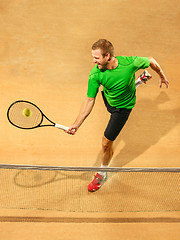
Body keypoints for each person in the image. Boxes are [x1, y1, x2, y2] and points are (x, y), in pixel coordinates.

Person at [66, 39, 169, 192]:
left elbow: (151, 60)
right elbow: (90, 99)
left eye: (96, 58)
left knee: (106, 143)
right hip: (109, 98)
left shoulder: (128, 63)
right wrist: (77, 123)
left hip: (122, 108)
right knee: (116, 90)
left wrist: (161, 75)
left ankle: (102, 173)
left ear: (107, 56)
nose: (93, 61)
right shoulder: (95, 74)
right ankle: (138, 82)